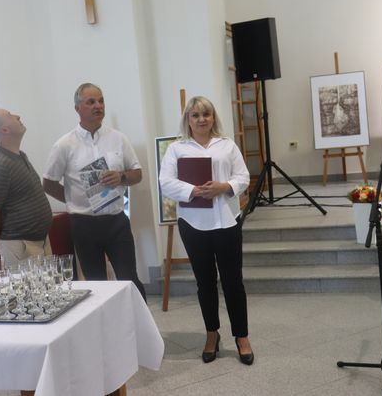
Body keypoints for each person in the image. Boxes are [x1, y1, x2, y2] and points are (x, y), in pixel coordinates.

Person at [159, 96, 253, 364]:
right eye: (195, 115)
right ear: (188, 120)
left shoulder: (227, 145)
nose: (201, 119)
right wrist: (194, 190)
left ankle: (242, 336)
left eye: (206, 114)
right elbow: (165, 182)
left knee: (233, 282)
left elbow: (243, 177)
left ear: (213, 118)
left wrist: (224, 187)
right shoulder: (177, 149)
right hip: (193, 224)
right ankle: (212, 334)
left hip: (226, 221)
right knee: (205, 282)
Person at [43, 83, 146, 300]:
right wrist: (74, 200)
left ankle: (142, 322)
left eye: (101, 101)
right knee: (96, 285)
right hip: (84, 224)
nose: (98, 106)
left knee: (130, 279)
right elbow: (48, 183)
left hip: (116, 221)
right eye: (91, 102)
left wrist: (121, 177)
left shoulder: (118, 138)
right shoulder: (64, 145)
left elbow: (137, 174)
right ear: (77, 108)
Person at [0, 108, 53, 266]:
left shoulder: (19, 156)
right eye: (10, 115)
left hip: (37, 241)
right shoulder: (0, 166)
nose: (18, 116)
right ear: (4, 130)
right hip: (20, 246)